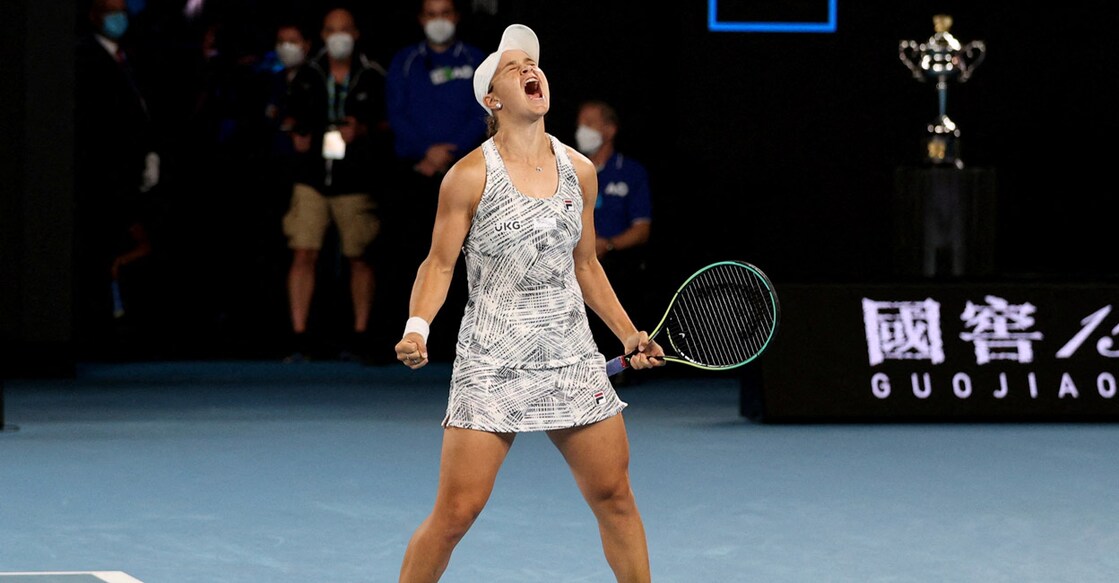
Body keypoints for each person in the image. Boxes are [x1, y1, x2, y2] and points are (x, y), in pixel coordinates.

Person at [393, 24, 663, 582]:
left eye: (532, 65)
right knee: (455, 514)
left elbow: (585, 265)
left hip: (569, 356)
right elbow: (438, 264)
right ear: (492, 98)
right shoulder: (467, 176)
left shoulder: (579, 172)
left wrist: (629, 333)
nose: (529, 71)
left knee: (615, 496)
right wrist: (418, 326)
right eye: (513, 68)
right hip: (492, 361)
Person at [282, 7, 391, 361]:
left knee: (359, 256)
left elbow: (391, 125)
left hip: (355, 179)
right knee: (303, 251)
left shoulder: (373, 75)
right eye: (331, 29)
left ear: (356, 33)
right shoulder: (307, 75)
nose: (338, 36)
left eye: (344, 29)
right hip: (312, 177)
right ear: (323, 34)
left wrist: (363, 131)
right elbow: (287, 118)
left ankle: (360, 334)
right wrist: (296, 133)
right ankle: (299, 336)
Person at [383, 0, 487, 357]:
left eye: (445, 13)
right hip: (417, 172)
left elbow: (484, 109)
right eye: (430, 13)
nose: (438, 21)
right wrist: (426, 152)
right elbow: (396, 112)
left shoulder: (475, 59)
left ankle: (457, 344)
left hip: (465, 175)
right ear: (420, 18)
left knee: (465, 256)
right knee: (416, 254)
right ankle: (410, 339)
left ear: (456, 17)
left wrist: (453, 152)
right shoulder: (405, 61)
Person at [74, 0, 162, 359]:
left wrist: (148, 155)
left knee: (134, 248)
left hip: (130, 176)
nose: (118, 16)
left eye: (122, 9)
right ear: (93, 14)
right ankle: (100, 334)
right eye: (110, 9)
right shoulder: (84, 57)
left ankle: (126, 328)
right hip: (102, 179)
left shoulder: (131, 57)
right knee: (100, 253)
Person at [574, 99, 654, 376]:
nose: (581, 130)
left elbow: (642, 229)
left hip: (615, 261)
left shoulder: (631, 173)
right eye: (580, 124)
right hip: (570, 261)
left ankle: (624, 361)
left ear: (609, 130)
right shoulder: (569, 169)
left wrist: (607, 245)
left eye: (590, 124)